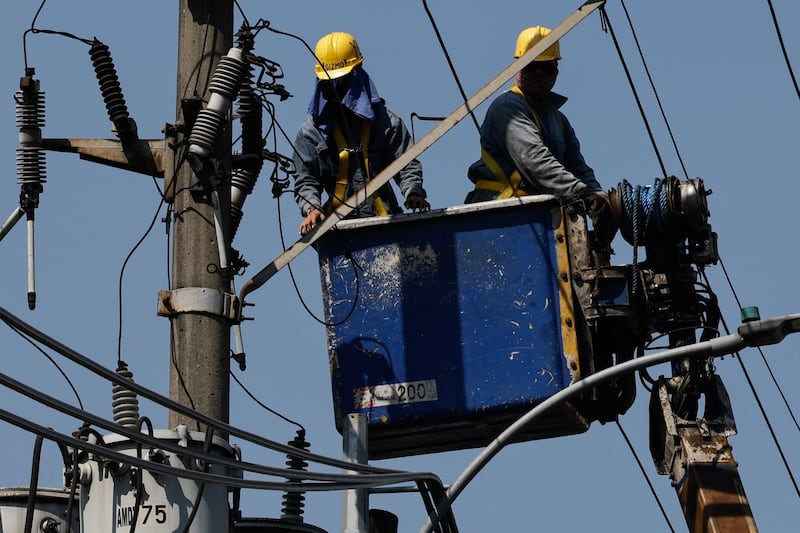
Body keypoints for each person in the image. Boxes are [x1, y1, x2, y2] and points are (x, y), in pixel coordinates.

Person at [464, 26, 610, 227]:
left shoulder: (558, 120)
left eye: (547, 68)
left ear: (556, 71)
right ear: (518, 67)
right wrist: (582, 193)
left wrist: (600, 197)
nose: (539, 73)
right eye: (532, 66)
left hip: (539, 216)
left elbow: (579, 168)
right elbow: (535, 162)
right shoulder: (507, 108)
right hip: (500, 215)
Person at [293, 31, 430, 235]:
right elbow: (306, 178)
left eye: (340, 83)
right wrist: (312, 208)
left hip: (387, 227)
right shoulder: (311, 132)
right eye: (328, 84)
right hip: (338, 232)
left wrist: (413, 192)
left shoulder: (385, 123)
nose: (335, 90)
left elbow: (406, 164)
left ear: (356, 74)